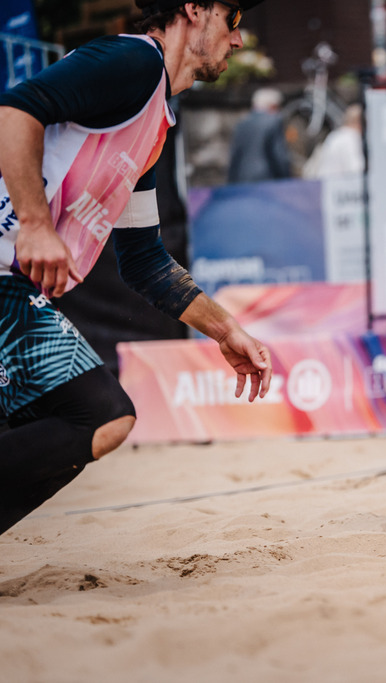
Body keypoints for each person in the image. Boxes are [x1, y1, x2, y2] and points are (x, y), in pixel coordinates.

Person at [0, 0, 274, 535]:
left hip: (14, 282)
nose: (238, 39)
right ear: (193, 9)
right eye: (233, 19)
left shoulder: (153, 120)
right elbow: (15, 112)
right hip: (5, 272)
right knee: (100, 417)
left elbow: (144, 259)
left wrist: (226, 330)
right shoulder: (133, 63)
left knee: (62, 433)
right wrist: (34, 224)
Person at [227, 85, 292, 183]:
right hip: (267, 178)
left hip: (242, 179)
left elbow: (235, 155)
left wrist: (231, 181)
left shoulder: (242, 123)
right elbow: (279, 155)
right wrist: (286, 179)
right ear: (273, 106)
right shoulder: (274, 121)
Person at [308, 103, 364, 178]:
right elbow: (356, 169)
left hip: (326, 185)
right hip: (341, 186)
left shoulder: (333, 136)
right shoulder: (351, 137)